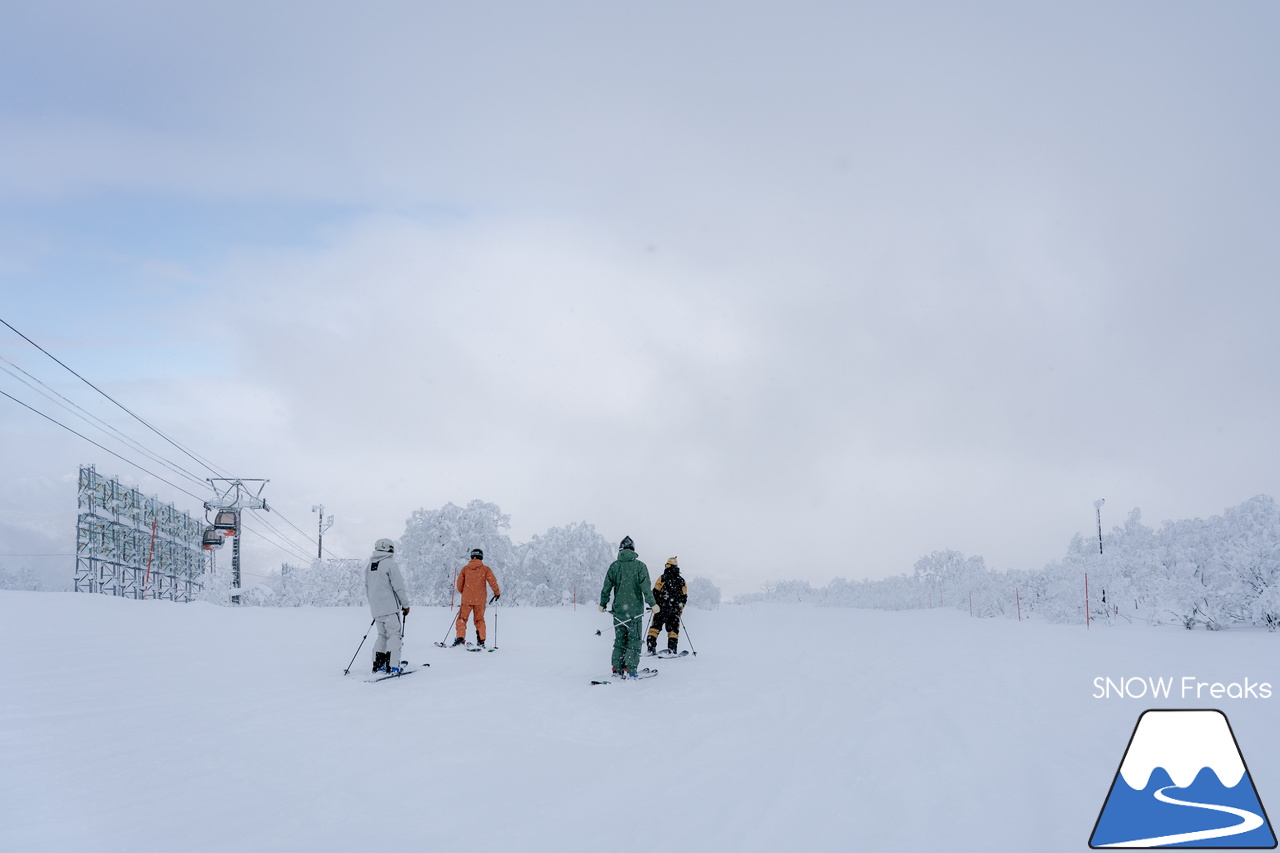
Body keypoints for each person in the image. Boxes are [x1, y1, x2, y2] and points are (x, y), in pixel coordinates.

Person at [598, 535, 658, 678]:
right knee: (634, 641)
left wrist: (602, 603)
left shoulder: (614, 566)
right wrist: (653, 604)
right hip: (634, 612)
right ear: (633, 549)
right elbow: (646, 589)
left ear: (621, 549)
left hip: (618, 612)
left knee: (619, 641)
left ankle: (616, 668)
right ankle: (630, 670)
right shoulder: (640, 566)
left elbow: (606, 587)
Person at [365, 538, 409, 674]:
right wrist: (405, 605)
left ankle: (378, 664)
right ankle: (393, 665)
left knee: (382, 635)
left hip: (376, 609)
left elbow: (368, 588)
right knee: (394, 635)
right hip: (390, 609)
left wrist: (375, 605)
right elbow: (399, 587)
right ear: (390, 549)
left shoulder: (370, 566)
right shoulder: (390, 564)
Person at [453, 548, 501, 647]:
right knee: (479, 620)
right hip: (480, 600)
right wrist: (497, 592)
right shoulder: (485, 569)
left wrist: (465, 592)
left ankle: (460, 638)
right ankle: (481, 640)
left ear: (471, 556)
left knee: (462, 618)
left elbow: (459, 584)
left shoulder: (465, 569)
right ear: (481, 557)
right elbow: (493, 581)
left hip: (466, 599)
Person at [647, 556, 688, 655]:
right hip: (674, 610)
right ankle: (672, 649)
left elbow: (655, 592)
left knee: (654, 628)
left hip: (661, 608)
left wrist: (654, 605)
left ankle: (651, 648)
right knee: (673, 630)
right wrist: (680, 609)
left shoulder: (662, 578)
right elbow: (684, 597)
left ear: (668, 565)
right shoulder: (681, 580)